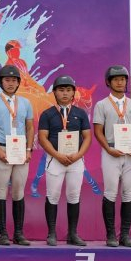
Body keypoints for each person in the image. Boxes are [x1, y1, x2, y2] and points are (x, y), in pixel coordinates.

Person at [93, 65, 131, 247]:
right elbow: (98, 131)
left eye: (122, 79)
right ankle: (111, 235)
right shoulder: (101, 105)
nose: (120, 82)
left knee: (128, 192)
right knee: (111, 192)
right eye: (116, 79)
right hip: (112, 152)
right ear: (108, 82)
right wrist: (108, 148)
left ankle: (125, 235)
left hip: (130, 152)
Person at [0, 65, 34, 246]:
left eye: (14, 80)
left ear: (18, 82)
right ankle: (2, 233)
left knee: (19, 190)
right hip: (2, 150)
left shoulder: (26, 103)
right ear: (1, 82)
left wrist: (29, 150)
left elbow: (30, 127)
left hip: (21, 151)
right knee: (1, 190)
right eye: (7, 80)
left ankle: (18, 233)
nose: (11, 83)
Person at [37, 75, 91, 246]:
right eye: (61, 90)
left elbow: (87, 137)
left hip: (76, 161)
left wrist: (78, 155)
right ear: (54, 92)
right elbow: (42, 138)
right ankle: (51, 233)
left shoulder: (80, 113)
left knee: (74, 195)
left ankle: (73, 234)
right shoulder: (47, 114)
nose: (65, 93)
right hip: (55, 160)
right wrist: (57, 155)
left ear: (74, 93)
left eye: (68, 90)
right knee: (52, 196)